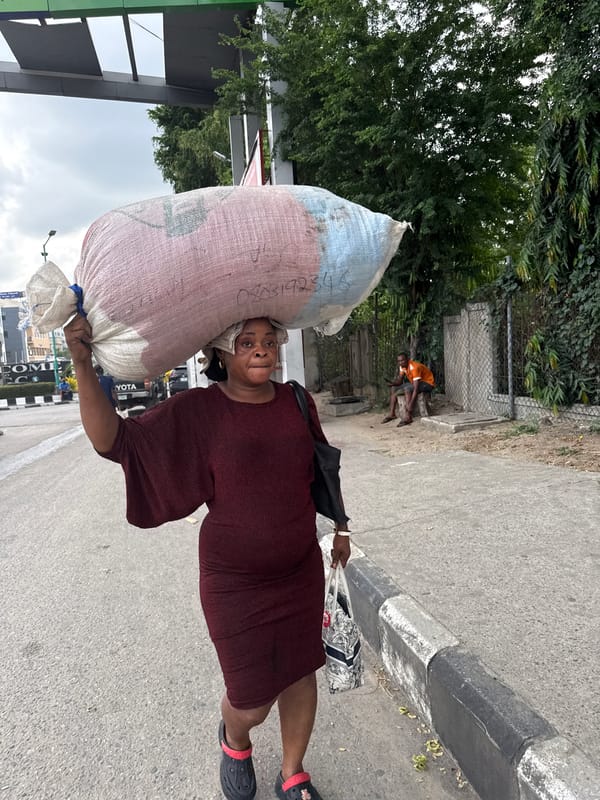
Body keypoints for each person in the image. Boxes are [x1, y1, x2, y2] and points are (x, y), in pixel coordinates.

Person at [64, 314, 351, 800]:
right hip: (234, 583)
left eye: (268, 341)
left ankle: (291, 773)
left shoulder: (296, 401)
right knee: (251, 698)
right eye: (245, 343)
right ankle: (235, 738)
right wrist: (82, 362)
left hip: (300, 570)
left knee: (301, 673)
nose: (261, 351)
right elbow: (112, 441)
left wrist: (341, 526)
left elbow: (322, 466)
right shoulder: (198, 411)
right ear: (220, 352)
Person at [381, 352, 435, 426]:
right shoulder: (402, 367)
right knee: (394, 388)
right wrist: (392, 383)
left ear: (407, 360)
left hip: (428, 383)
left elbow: (415, 389)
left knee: (408, 388)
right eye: (399, 361)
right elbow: (399, 381)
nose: (400, 362)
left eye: (402, 360)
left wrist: (410, 405)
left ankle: (408, 416)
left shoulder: (414, 367)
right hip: (415, 383)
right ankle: (392, 414)